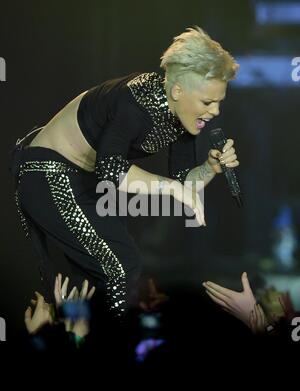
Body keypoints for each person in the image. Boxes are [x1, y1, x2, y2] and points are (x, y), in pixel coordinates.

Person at [10, 26, 239, 318]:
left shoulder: (184, 117)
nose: (216, 111)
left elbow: (183, 185)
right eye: (208, 102)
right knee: (121, 267)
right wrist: (174, 188)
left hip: (83, 180)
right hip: (49, 172)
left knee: (88, 286)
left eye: (219, 101)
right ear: (178, 90)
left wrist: (209, 168)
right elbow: (111, 169)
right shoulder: (135, 102)